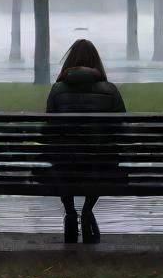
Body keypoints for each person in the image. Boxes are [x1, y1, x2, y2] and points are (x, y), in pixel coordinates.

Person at [45, 39, 126, 244]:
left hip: (65, 164)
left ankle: (71, 213)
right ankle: (88, 210)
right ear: (96, 63)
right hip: (101, 164)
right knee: (103, 158)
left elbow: (48, 130)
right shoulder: (110, 90)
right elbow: (122, 130)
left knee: (61, 157)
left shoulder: (57, 90)